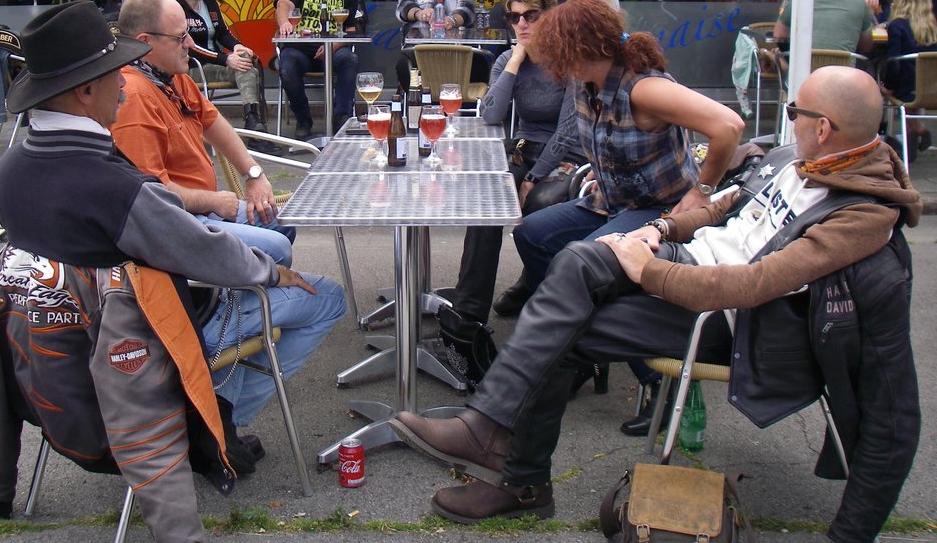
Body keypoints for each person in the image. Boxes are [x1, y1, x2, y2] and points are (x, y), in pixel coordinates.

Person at [391, 66, 921, 543]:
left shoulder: (860, 218)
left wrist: (651, 271)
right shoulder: (797, 161)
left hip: (726, 319)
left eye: (794, 112)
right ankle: (488, 430)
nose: (789, 120)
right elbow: (723, 207)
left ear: (822, 128)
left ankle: (515, 473)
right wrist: (660, 229)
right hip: (686, 261)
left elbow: (755, 286)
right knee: (576, 261)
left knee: (562, 331)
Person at [0, 1, 346, 540]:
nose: (124, 87)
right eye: (115, 74)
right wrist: (270, 272)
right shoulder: (112, 187)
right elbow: (203, 253)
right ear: (85, 91)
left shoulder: (13, 168)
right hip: (139, 360)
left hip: (52, 368)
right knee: (325, 295)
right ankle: (215, 422)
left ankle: (212, 416)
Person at [492, 0, 743, 432]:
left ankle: (658, 384)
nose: (550, 61)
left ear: (580, 48)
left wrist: (702, 191)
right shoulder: (585, 81)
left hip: (658, 207)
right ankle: (585, 348)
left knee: (586, 267)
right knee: (532, 233)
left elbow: (729, 126)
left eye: (556, 51)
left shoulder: (644, 88)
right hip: (611, 201)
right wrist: (596, 169)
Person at [437, 0, 584, 387]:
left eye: (531, 16)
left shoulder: (570, 61)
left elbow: (567, 132)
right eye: (514, 17)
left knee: (538, 208)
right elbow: (490, 114)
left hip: (566, 157)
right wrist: (517, 59)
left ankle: (536, 292)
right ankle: (468, 318)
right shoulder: (507, 59)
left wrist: (534, 177)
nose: (521, 24)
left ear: (550, 16)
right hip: (521, 150)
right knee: (486, 203)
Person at [112, 0, 294, 264]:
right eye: (179, 37)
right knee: (277, 247)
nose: (190, 43)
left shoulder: (169, 75)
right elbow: (151, 195)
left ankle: (250, 283)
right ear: (145, 42)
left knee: (282, 221)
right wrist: (213, 201)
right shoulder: (134, 96)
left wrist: (253, 174)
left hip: (201, 210)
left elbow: (212, 121)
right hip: (175, 224)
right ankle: (237, 291)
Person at [170, 0, 276, 154]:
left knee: (247, 65)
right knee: (241, 65)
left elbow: (222, 33)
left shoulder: (209, 2)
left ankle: (254, 124)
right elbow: (190, 48)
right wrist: (225, 59)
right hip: (192, 67)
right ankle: (254, 128)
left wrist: (238, 47)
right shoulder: (176, 9)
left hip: (216, 63)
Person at [274, 0, 361, 139]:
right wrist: (285, 23)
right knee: (287, 65)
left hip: (335, 50)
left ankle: (341, 118)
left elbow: (354, 28)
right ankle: (303, 120)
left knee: (350, 59)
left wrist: (334, 46)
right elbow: (283, 5)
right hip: (300, 50)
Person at [394, 0, 485, 92]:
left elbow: (467, 12)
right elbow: (403, 10)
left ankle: (467, 105)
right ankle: (415, 103)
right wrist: (420, 13)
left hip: (456, 54)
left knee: (480, 63)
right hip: (419, 53)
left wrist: (451, 20)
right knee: (403, 65)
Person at [880, 0, 937, 158]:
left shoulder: (897, 26)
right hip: (930, 88)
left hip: (907, 88)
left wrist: (888, 86)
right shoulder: (932, 25)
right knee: (907, 88)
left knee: (885, 89)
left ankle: (916, 132)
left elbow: (894, 64)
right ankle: (913, 137)